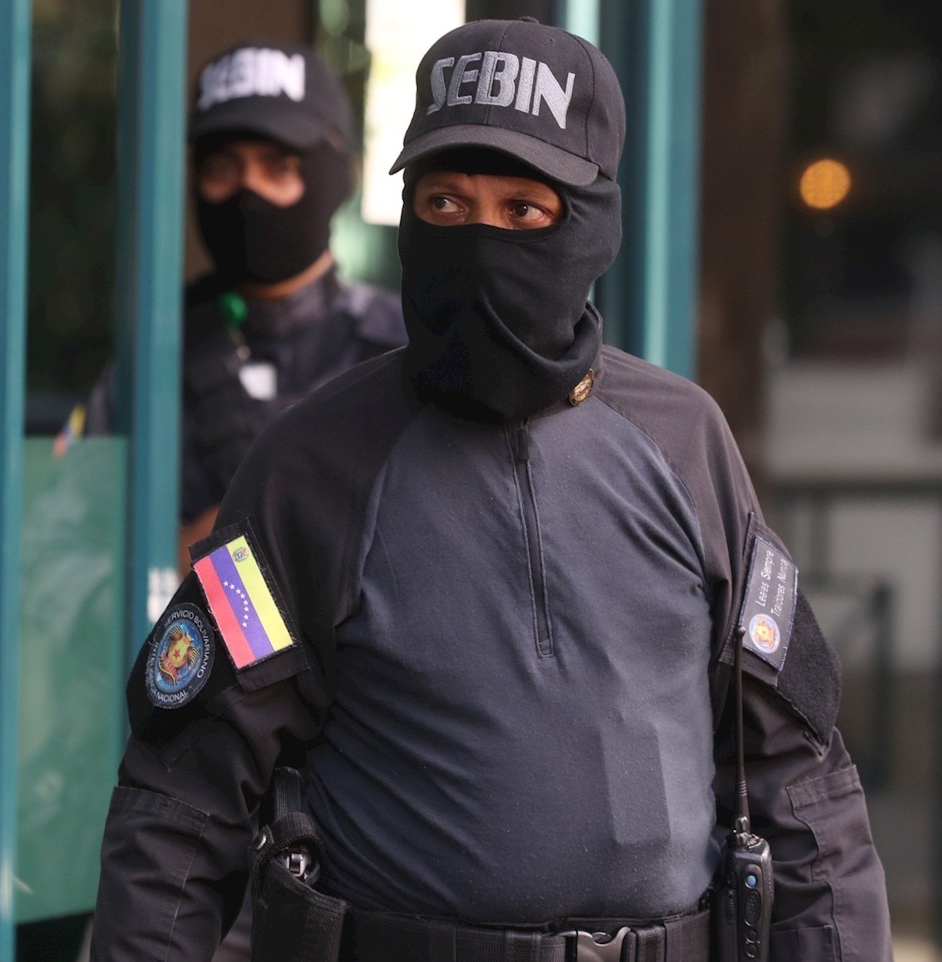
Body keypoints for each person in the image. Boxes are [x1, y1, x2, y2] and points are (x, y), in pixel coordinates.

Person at [90, 16, 892, 962]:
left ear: (593, 222)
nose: (480, 240)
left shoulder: (685, 443)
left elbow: (801, 788)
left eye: (523, 210)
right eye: (446, 204)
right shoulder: (310, 466)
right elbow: (181, 810)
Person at [73, 39, 406, 566]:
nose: (248, 193)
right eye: (223, 170)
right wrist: (176, 563)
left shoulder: (405, 354)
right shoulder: (150, 366)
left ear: (336, 174)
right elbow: (51, 568)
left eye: (279, 168)